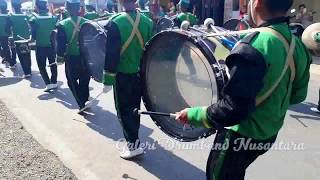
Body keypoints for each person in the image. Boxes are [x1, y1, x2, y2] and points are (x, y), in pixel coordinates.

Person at [176, 0, 311, 179]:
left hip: (239, 138)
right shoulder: (297, 44)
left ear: (257, 3)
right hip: (268, 135)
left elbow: (231, 109)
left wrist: (194, 115)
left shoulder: (254, 45)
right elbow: (298, 96)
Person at [103, 0, 153, 159]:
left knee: (124, 110)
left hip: (122, 76)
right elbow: (151, 50)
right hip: (139, 74)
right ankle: (134, 139)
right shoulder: (148, 22)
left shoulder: (115, 22)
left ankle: (133, 145)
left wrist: (107, 79)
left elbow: (112, 54)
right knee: (135, 109)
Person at [56, 0, 90, 112]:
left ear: (67, 9)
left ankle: (81, 103)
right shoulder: (87, 22)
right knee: (85, 79)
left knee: (71, 80)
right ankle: (85, 99)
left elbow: (61, 44)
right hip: (86, 57)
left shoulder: (62, 24)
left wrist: (59, 58)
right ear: (79, 9)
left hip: (71, 57)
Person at [29, 0, 58, 92]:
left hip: (40, 46)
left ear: (37, 7)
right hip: (52, 45)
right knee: (53, 63)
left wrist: (31, 40)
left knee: (41, 66)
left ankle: (48, 83)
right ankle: (54, 82)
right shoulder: (53, 17)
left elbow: (33, 34)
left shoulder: (34, 18)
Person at [8, 0, 32, 78]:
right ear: (20, 7)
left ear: (13, 7)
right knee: (27, 55)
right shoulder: (26, 15)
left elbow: (7, 28)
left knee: (21, 56)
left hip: (17, 39)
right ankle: (29, 71)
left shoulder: (11, 16)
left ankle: (26, 72)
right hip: (26, 39)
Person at [0, 0, 11, 67]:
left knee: (5, 47)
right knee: (5, 47)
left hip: (4, 35)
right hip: (6, 35)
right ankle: (6, 58)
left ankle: (6, 58)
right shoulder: (9, 16)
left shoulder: (7, 16)